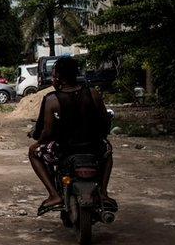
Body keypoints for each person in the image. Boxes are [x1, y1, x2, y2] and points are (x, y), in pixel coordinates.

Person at [28, 56, 116, 215]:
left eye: (54, 75)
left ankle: (54, 195)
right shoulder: (93, 93)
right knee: (108, 152)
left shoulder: (52, 99)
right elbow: (104, 121)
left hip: (64, 150)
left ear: (59, 77)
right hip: (93, 147)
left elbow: (47, 132)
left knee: (33, 152)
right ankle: (103, 192)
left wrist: (37, 142)